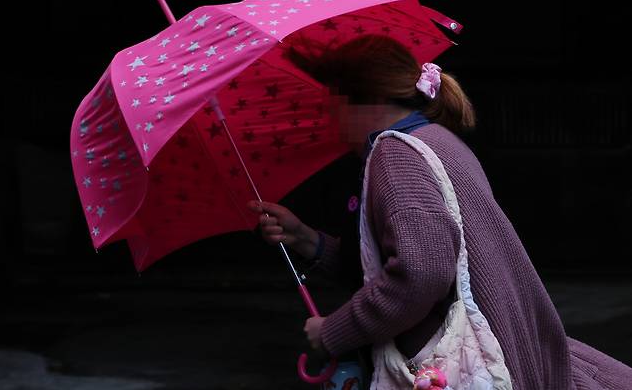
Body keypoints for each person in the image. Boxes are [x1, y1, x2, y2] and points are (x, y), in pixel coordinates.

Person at [246, 34, 632, 389]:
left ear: (362, 100)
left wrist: (333, 331)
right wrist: (307, 240)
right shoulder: (436, 140)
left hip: (466, 367)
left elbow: (421, 276)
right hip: (506, 350)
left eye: (332, 105)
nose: (330, 121)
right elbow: (410, 262)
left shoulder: (396, 156)